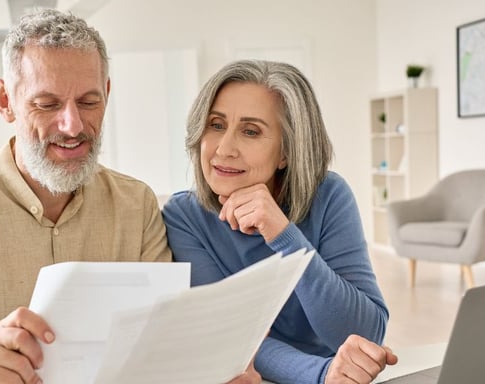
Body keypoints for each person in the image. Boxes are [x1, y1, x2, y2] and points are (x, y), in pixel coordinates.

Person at [0, 9, 263, 384]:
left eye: (88, 102)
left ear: (107, 94)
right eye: (47, 104)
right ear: (4, 101)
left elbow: (163, 344)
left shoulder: (137, 205)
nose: (73, 126)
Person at [162, 60, 397, 384]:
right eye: (216, 125)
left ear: (286, 151)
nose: (224, 148)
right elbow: (228, 337)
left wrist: (285, 236)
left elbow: (366, 332)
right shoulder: (183, 216)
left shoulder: (329, 195)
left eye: (250, 131)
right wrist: (320, 374)